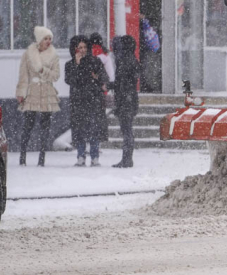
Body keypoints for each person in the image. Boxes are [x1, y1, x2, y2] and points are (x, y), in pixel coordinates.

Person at [15, 26, 61, 166]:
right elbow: (23, 76)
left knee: (45, 127)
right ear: (39, 40)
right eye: (45, 38)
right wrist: (21, 93)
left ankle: (42, 159)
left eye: (50, 39)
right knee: (28, 126)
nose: (48, 41)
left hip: (47, 92)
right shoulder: (28, 54)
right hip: (32, 92)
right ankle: (22, 158)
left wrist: (43, 71)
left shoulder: (54, 55)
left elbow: (56, 76)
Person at [65, 35, 108, 167]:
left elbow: (103, 77)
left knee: (94, 129)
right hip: (78, 102)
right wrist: (77, 65)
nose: (82, 50)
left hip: (93, 100)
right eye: (79, 48)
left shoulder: (95, 61)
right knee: (79, 130)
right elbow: (70, 80)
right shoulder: (70, 64)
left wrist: (97, 77)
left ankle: (95, 157)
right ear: (74, 49)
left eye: (84, 47)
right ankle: (81, 156)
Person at [110, 35, 141, 168]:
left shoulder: (124, 61)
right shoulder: (132, 60)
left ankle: (127, 159)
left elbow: (121, 83)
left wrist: (110, 85)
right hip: (130, 98)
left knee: (126, 130)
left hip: (125, 100)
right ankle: (127, 158)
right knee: (128, 130)